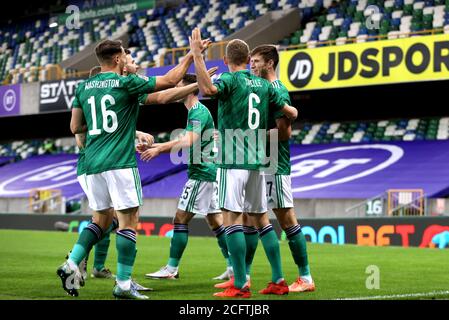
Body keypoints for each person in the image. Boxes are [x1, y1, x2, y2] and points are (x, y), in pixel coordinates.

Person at [57, 38, 203, 299]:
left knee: (101, 220)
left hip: (92, 164)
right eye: (125, 55)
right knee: (128, 221)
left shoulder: (83, 87)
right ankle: (123, 284)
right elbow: (169, 81)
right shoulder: (126, 83)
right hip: (119, 163)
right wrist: (192, 56)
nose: (127, 58)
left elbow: (76, 128)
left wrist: (106, 125)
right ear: (116, 59)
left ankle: (71, 263)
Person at [190, 28, 298, 298]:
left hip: (232, 160)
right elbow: (291, 112)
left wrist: (197, 56)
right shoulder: (263, 85)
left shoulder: (230, 79)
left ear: (227, 60)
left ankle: (240, 284)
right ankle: (279, 279)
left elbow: (207, 88)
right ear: (248, 57)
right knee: (262, 220)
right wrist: (291, 110)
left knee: (232, 221)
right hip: (259, 162)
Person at [216, 44, 315, 293]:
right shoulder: (259, 88)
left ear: (269, 63)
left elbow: (284, 133)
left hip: (276, 163)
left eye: (257, 61)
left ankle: (305, 277)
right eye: (251, 61)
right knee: (251, 219)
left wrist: (249, 137)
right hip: (261, 160)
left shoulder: (275, 88)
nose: (253, 65)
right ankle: (244, 275)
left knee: (286, 218)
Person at [138, 74, 233, 280]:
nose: (175, 88)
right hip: (209, 173)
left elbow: (189, 141)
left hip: (202, 174)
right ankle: (232, 267)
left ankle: (171, 268)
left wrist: (158, 150)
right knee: (215, 221)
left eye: (178, 85)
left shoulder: (197, 112)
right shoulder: (198, 112)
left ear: (188, 89)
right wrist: (152, 146)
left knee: (180, 219)